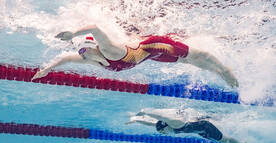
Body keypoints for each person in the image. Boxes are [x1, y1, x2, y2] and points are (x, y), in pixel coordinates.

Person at [31, 25, 239, 88]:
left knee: (199, 55)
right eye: (81, 52)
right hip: (150, 56)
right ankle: (220, 71)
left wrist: (72, 33)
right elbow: (66, 58)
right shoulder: (90, 58)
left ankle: (226, 69)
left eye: (84, 50)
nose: (82, 54)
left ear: (93, 46)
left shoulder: (109, 49)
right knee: (191, 62)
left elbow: (94, 27)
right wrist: (47, 70)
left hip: (156, 45)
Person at [127, 109, 250, 143]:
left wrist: (145, 112)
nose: (164, 134)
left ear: (166, 126)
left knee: (225, 141)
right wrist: (136, 120)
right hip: (201, 131)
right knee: (225, 142)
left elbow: (160, 116)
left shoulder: (175, 123)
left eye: (163, 131)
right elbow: (150, 124)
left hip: (205, 126)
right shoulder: (167, 128)